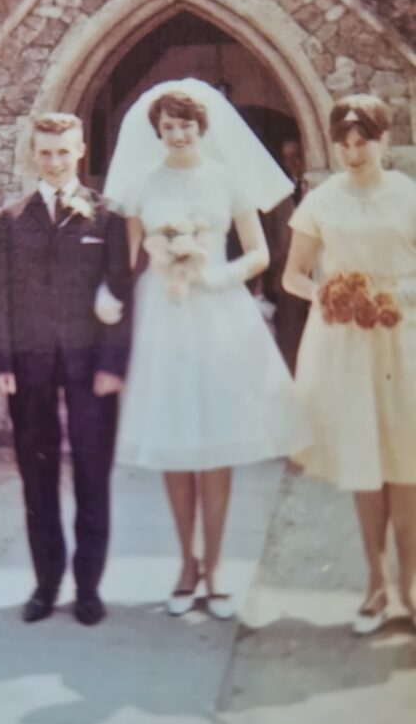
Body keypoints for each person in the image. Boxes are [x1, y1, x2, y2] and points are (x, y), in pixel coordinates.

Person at [104, 79, 312, 619]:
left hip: (217, 312)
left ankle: (216, 568)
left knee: (216, 442)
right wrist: (112, 293)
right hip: (163, 315)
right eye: (167, 127)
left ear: (202, 128)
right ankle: (185, 566)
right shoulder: (143, 187)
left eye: (186, 125)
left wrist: (216, 276)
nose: (177, 134)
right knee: (174, 439)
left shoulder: (226, 179)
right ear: (157, 131)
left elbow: (260, 253)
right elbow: (126, 261)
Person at [0, 113, 132, 626]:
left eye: (63, 152)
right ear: (34, 154)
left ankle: (88, 586)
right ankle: (46, 582)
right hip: (30, 366)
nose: (54, 162)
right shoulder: (8, 220)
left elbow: (120, 292)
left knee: (93, 472)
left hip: (90, 366)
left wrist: (113, 364)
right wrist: (1, 361)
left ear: (81, 151)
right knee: (37, 472)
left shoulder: (108, 218)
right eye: (45, 153)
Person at [283, 93, 416, 635]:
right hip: (348, 343)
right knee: (366, 460)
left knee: (406, 460)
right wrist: (329, 294)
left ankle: (409, 587)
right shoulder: (321, 201)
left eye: (365, 142)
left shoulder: (408, 194)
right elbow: (293, 275)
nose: (354, 152)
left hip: (403, 337)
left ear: (384, 142)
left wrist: (399, 294)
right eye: (345, 143)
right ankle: (375, 583)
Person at [261, 137, 310, 372]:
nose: (293, 161)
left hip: (319, 275)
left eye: (297, 155)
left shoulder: (315, 189)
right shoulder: (279, 197)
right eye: (288, 157)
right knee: (290, 336)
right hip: (286, 277)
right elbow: (271, 238)